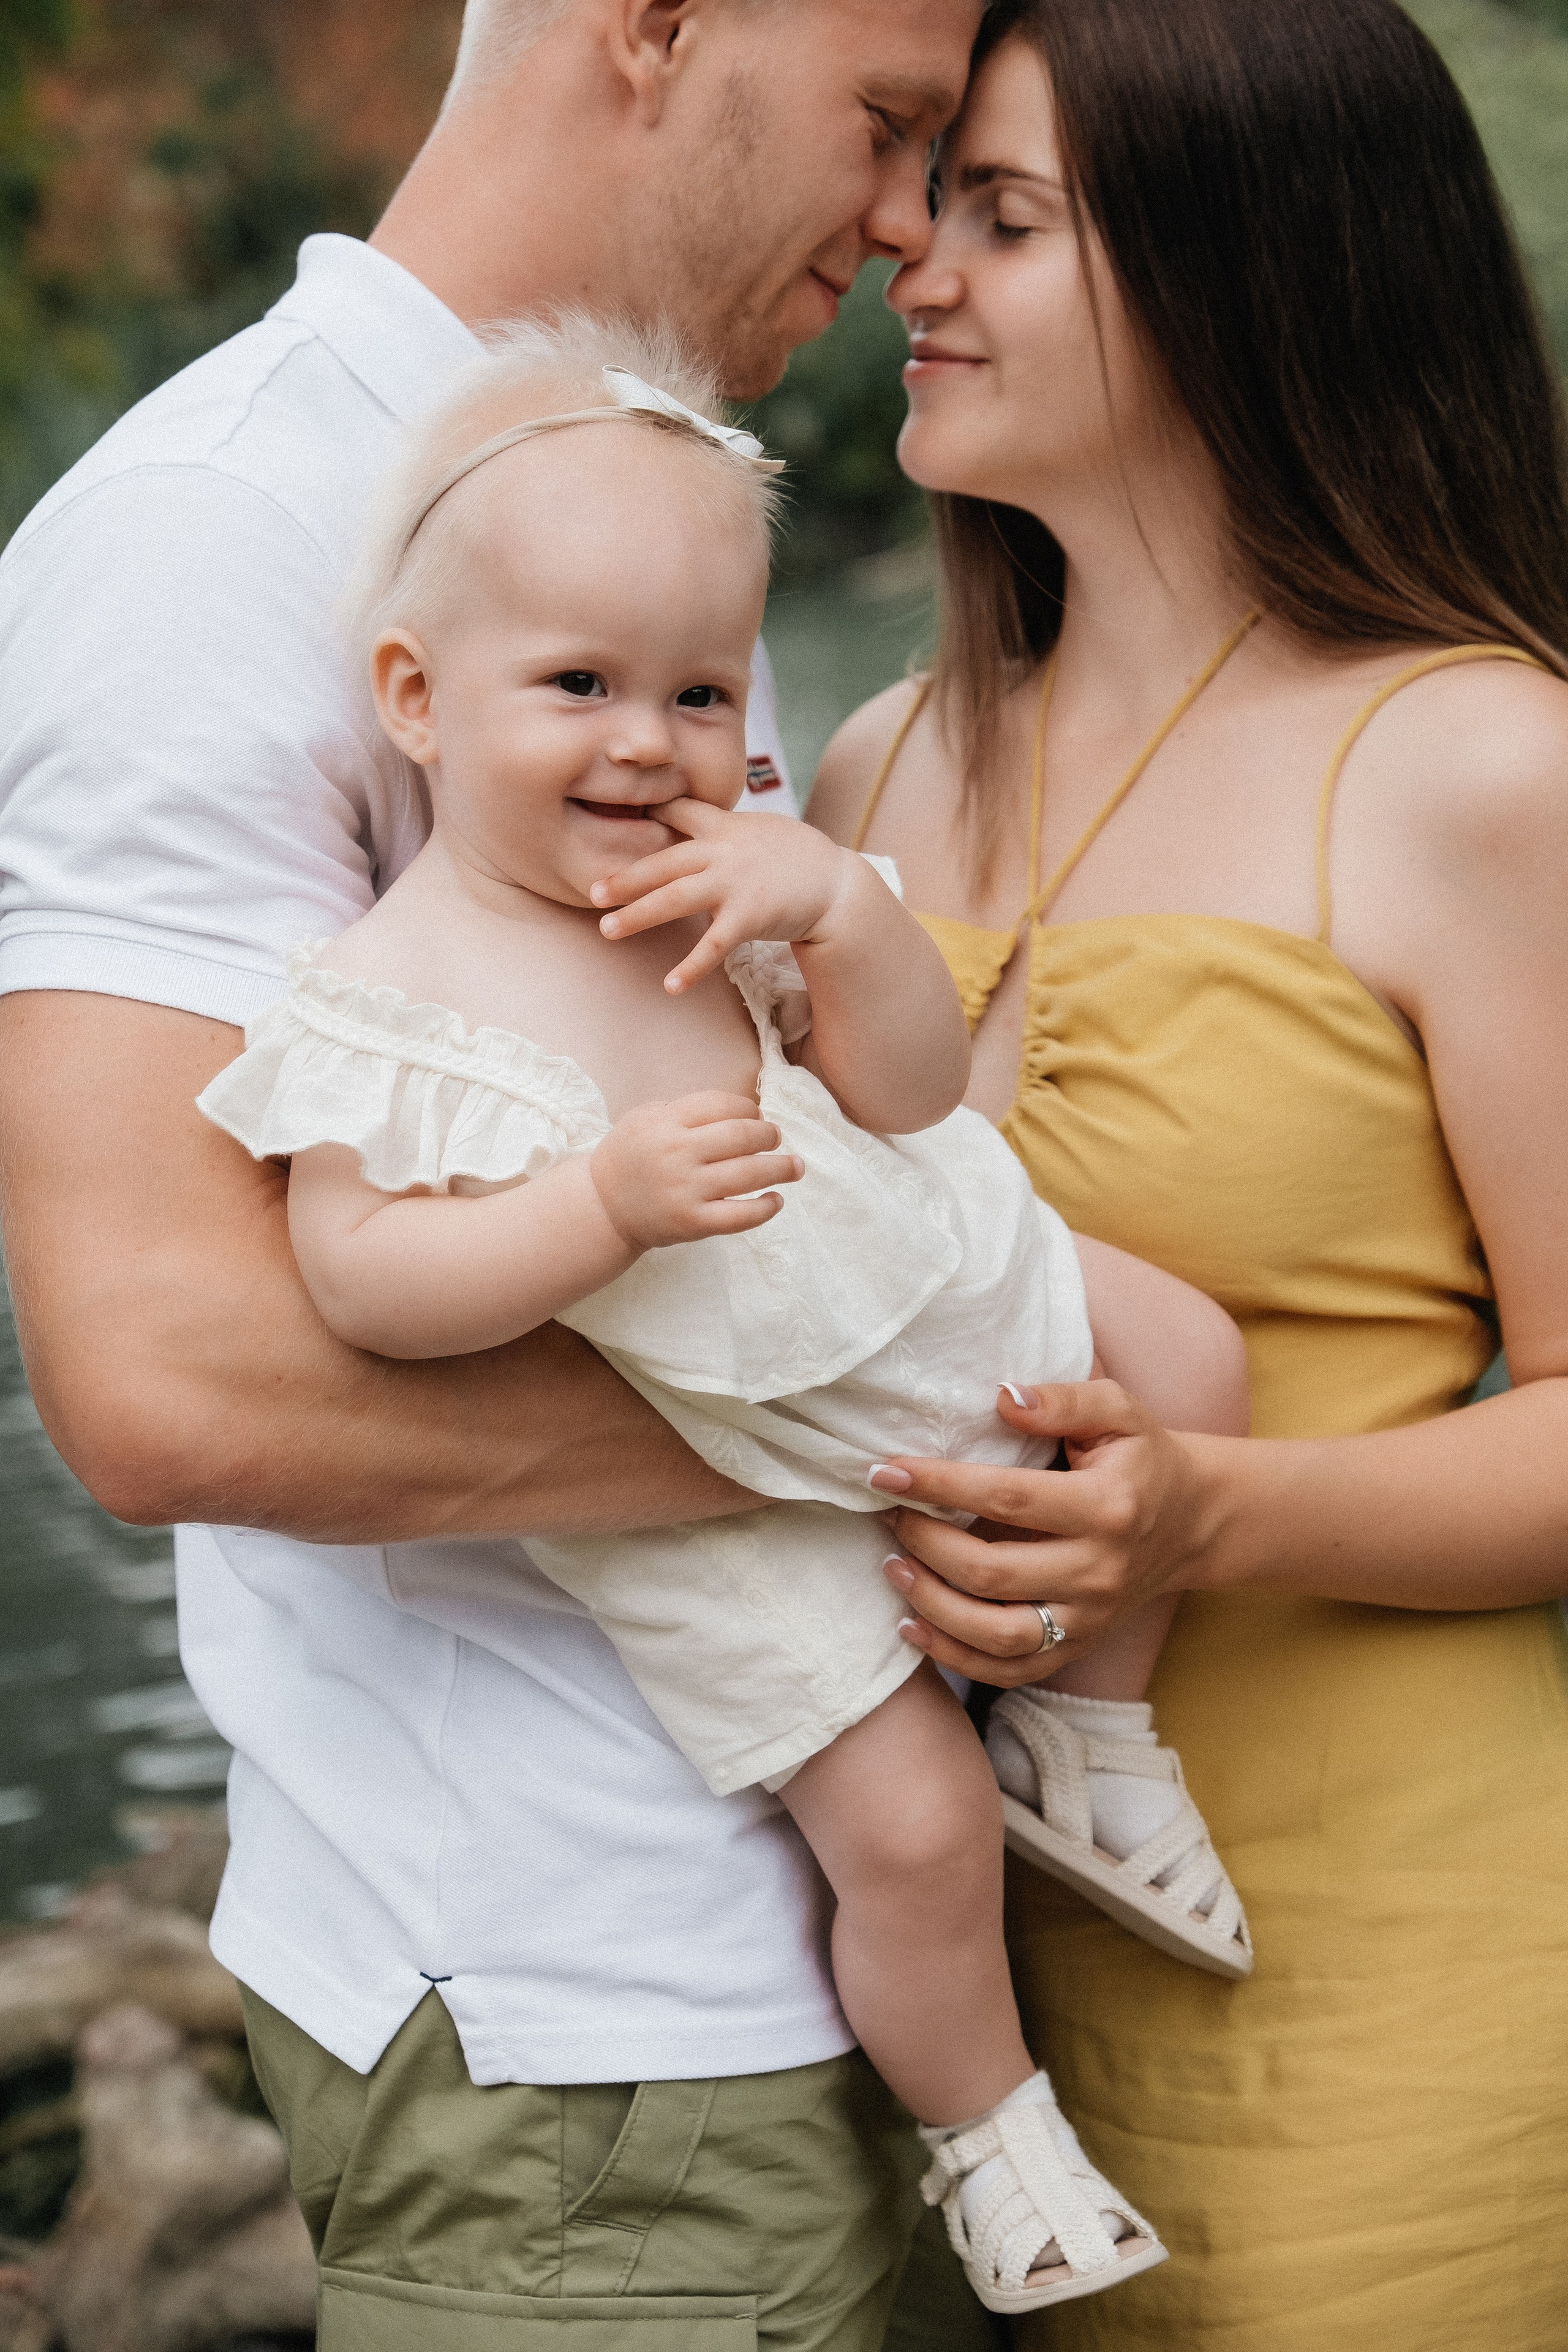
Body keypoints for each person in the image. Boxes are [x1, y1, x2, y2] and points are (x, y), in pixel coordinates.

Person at [0, 4, 1003, 2340]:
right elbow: (167, 1381)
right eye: (889, 129)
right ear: (655, 25)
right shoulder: (215, 537)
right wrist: (934, 1417)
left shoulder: (636, 507)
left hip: (842, 1956)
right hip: (575, 2055)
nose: (903, 226)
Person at [196, 323, 1257, 2315]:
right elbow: (362, 1282)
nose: (647, 744)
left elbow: (909, 1096)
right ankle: (994, 2138)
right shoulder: (389, 1001)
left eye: (698, 692)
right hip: (710, 1493)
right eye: (579, 685)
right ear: (416, 701)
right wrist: (588, 1208)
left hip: (883, 1285)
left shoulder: (719, 880)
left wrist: (845, 921)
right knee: (912, 1830)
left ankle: (1098, 1741)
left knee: (1183, 1358)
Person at [812, 0, 1568, 2344]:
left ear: (1254, 263)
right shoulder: (867, 770)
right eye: (935, 198)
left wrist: (1208, 1517)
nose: (916, 263)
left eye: (1006, 215)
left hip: (1394, 1984)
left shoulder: (1483, 765)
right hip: (938, 2019)